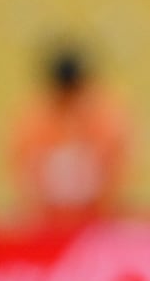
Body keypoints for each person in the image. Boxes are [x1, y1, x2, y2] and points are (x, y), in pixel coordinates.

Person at [10, 44, 130, 229]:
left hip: (98, 219)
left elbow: (119, 163)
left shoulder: (105, 118)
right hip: (47, 221)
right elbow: (23, 167)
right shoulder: (35, 121)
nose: (69, 101)